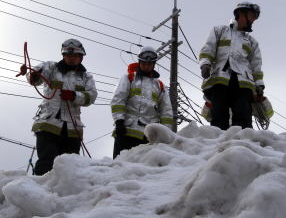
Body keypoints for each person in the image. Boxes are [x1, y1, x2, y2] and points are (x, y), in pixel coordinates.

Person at [21, 38, 98, 175]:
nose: (71, 59)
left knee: (69, 166)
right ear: (63, 56)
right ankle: (39, 191)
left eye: (75, 56)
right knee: (47, 161)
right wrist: (31, 75)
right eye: (68, 55)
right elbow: (36, 75)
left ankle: (63, 195)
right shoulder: (51, 67)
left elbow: (91, 96)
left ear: (81, 57)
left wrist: (75, 96)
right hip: (48, 123)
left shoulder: (87, 77)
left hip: (72, 128)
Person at [199, 2, 265, 130]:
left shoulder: (252, 42)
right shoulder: (219, 31)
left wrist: (259, 84)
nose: (252, 20)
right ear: (240, 13)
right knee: (219, 116)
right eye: (251, 16)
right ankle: (220, 146)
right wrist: (205, 64)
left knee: (243, 116)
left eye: (254, 18)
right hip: (220, 80)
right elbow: (208, 49)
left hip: (243, 83)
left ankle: (244, 145)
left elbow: (256, 65)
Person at [111, 46, 173, 158]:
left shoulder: (160, 86)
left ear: (154, 65)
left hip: (148, 137)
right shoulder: (128, 78)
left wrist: (165, 134)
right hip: (125, 131)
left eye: (149, 64)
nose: (146, 66)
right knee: (119, 167)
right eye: (144, 63)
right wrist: (119, 121)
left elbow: (166, 112)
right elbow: (118, 100)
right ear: (139, 62)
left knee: (142, 172)